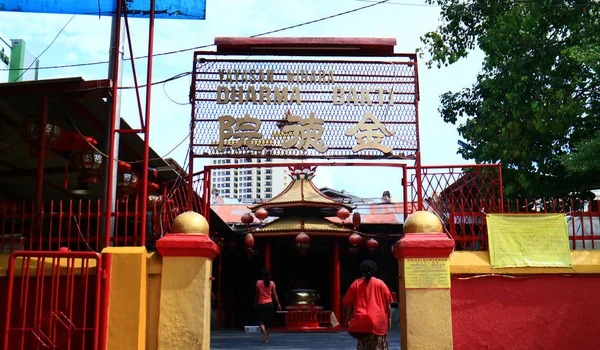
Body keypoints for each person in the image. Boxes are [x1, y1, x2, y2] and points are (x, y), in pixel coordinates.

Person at [342, 260, 393, 350]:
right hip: (378, 321)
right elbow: (388, 305)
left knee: (363, 345)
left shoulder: (356, 283)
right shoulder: (380, 284)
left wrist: (348, 318)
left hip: (361, 321)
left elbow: (349, 304)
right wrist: (389, 319)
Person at [255, 268, 281, 343]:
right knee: (269, 322)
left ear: (262, 275)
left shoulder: (258, 283)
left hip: (261, 304)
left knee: (261, 321)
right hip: (270, 304)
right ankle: (266, 337)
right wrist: (278, 303)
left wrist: (255, 301)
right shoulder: (272, 283)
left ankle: (264, 333)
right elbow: (275, 294)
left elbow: (257, 294)